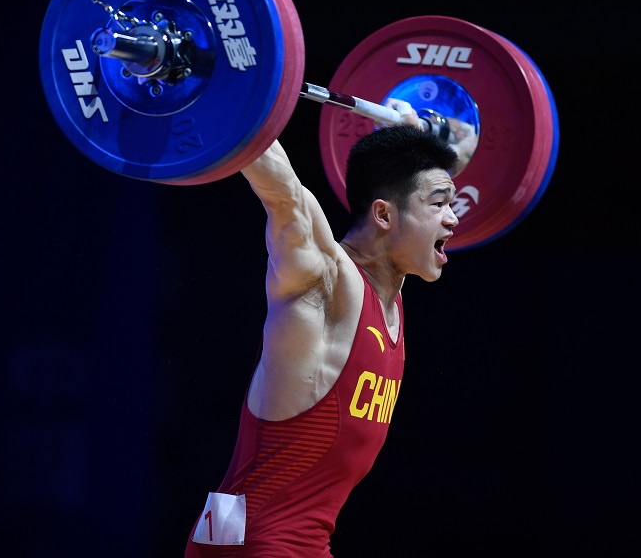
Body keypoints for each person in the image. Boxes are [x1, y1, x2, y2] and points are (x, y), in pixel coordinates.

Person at [185, 99, 468, 557]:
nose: (454, 218)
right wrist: (225, 87)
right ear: (383, 215)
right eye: (439, 204)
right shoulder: (324, 282)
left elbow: (464, 144)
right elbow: (283, 192)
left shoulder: (388, 292)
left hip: (292, 543)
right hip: (260, 545)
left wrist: (412, 135)